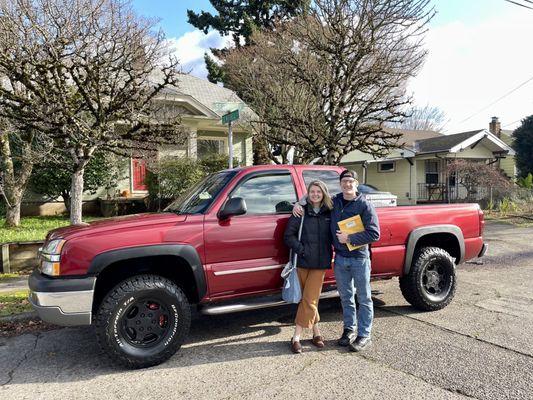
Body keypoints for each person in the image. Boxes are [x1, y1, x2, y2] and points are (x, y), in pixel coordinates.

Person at [293, 170, 380, 352]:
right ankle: (349, 330)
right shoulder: (335, 201)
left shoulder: (364, 205)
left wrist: (350, 238)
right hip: (340, 258)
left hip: (359, 258)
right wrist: (298, 203)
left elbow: (374, 233)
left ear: (356, 183)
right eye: (344, 181)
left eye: (350, 181)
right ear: (340, 184)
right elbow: (315, 196)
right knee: (346, 297)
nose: (347, 184)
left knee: (363, 298)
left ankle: (364, 335)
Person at [284, 180, 334, 354]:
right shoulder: (300, 211)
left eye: (318, 192)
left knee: (309, 299)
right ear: (308, 193)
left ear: (324, 193)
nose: (315, 194)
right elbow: (288, 236)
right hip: (303, 262)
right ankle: (316, 333)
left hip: (320, 265)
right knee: (308, 299)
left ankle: (296, 337)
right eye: (312, 191)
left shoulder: (330, 212)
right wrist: (302, 250)